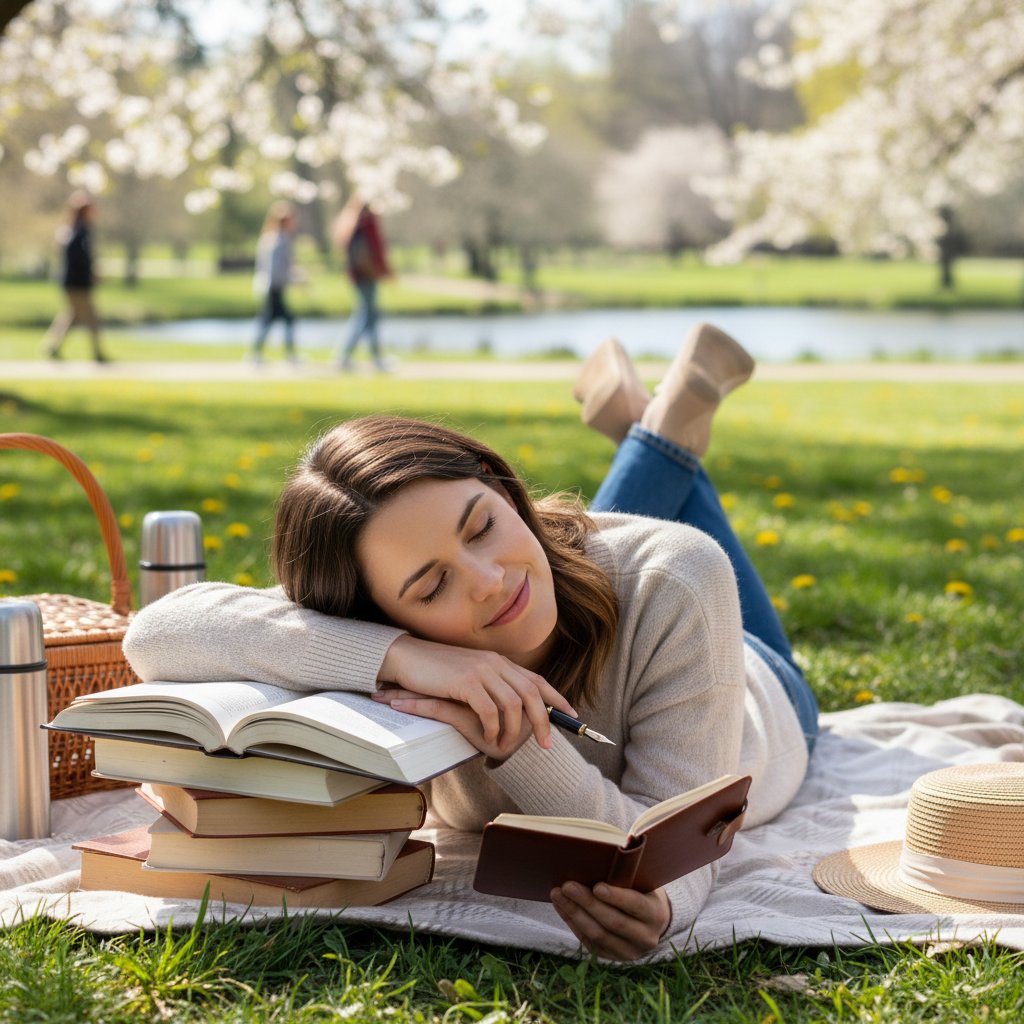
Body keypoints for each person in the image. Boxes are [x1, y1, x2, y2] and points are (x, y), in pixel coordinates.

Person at [123, 322, 817, 962]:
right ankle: (650, 427)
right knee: (549, 566)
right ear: (374, 614)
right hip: (575, 574)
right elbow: (156, 632)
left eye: (483, 524)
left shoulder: (678, 578)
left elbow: (659, 852)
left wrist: (655, 899)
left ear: (506, 490)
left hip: (764, 692)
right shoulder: (379, 632)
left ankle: (663, 430)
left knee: (659, 560)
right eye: (430, 589)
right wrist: (402, 656)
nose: (487, 582)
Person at [42, 191, 110, 363]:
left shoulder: (73, 230)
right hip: (77, 283)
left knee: (73, 316)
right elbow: (80, 258)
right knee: (91, 317)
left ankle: (53, 347)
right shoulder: (79, 232)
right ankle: (98, 354)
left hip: (73, 282)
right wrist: (91, 273)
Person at [332, 195, 392, 372]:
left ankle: (364, 356)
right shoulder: (366, 225)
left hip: (360, 277)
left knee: (367, 316)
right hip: (367, 277)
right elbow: (372, 251)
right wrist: (381, 271)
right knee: (366, 316)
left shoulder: (353, 225)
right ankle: (353, 356)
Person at [251, 201, 300, 365]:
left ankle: (258, 354)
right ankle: (288, 355)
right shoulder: (279, 240)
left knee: (270, 320)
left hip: (273, 286)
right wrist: (294, 279)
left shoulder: (272, 238)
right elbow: (276, 268)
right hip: (274, 287)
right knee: (283, 320)